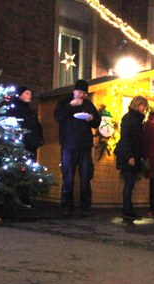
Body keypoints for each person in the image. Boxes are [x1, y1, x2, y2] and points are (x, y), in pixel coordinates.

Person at [53, 79, 100, 217]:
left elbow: (97, 122)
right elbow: (58, 117)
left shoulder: (89, 104)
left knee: (86, 177)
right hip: (68, 146)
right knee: (68, 178)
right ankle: (66, 206)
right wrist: (70, 105)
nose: (81, 95)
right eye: (79, 92)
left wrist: (92, 119)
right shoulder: (64, 102)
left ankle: (85, 207)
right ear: (74, 91)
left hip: (85, 146)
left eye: (84, 93)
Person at [6, 85, 44, 208]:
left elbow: (36, 127)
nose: (29, 95)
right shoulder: (13, 110)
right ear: (20, 95)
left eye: (30, 93)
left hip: (31, 146)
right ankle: (15, 197)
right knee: (18, 172)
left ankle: (25, 198)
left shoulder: (30, 111)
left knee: (27, 173)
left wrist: (39, 139)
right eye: (27, 93)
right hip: (19, 146)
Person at [114, 95, 148, 220]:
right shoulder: (130, 118)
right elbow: (126, 138)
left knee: (130, 183)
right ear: (137, 105)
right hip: (129, 156)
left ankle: (128, 209)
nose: (144, 108)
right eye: (143, 105)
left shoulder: (136, 119)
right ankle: (127, 210)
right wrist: (130, 156)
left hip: (134, 155)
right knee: (128, 183)